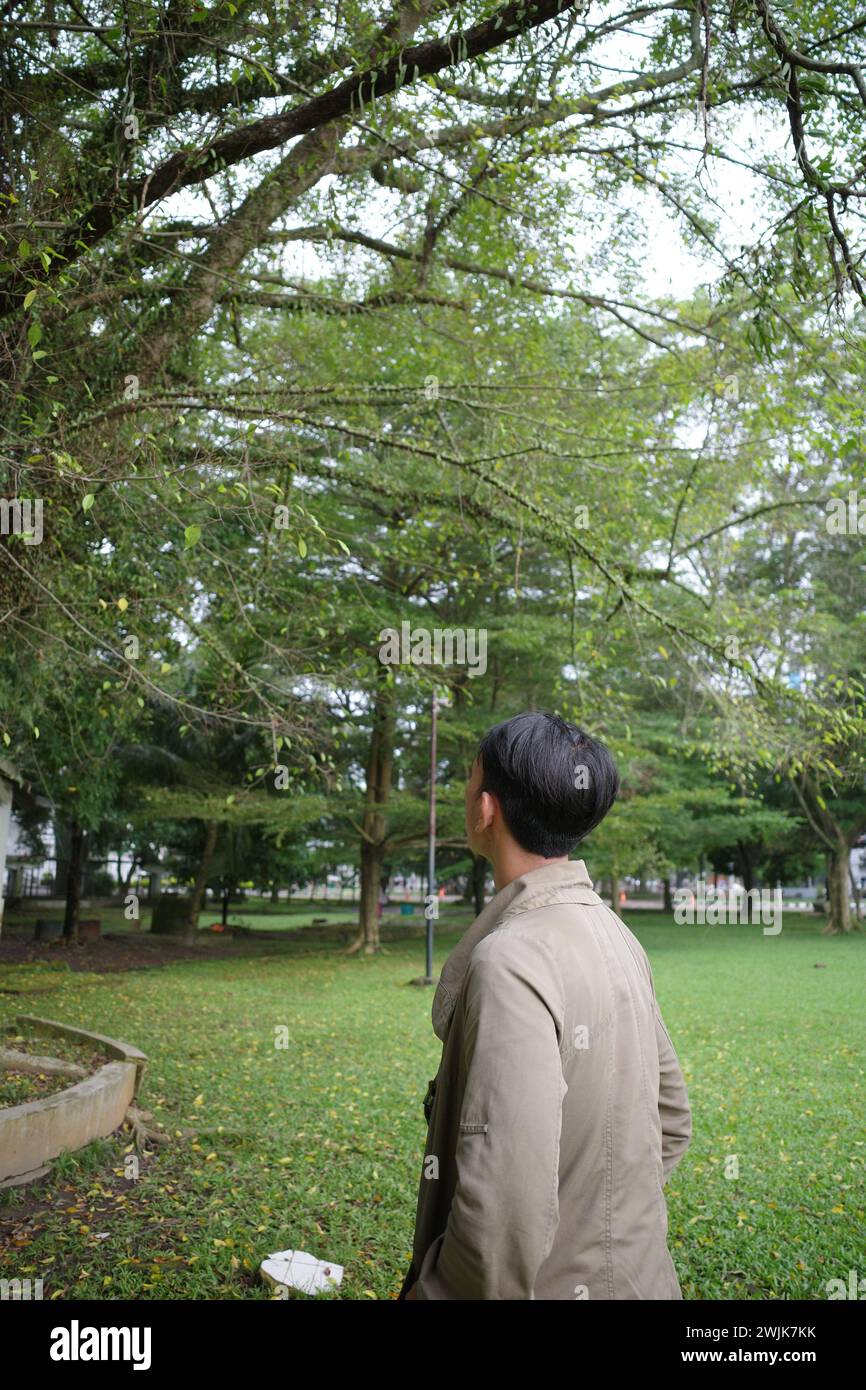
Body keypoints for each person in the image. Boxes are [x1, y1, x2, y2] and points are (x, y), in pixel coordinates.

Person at [398, 710, 691, 1300]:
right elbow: (672, 1119)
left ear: (486, 809)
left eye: (469, 782)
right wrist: (597, 1224)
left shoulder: (510, 961)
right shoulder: (616, 934)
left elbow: (502, 1209)